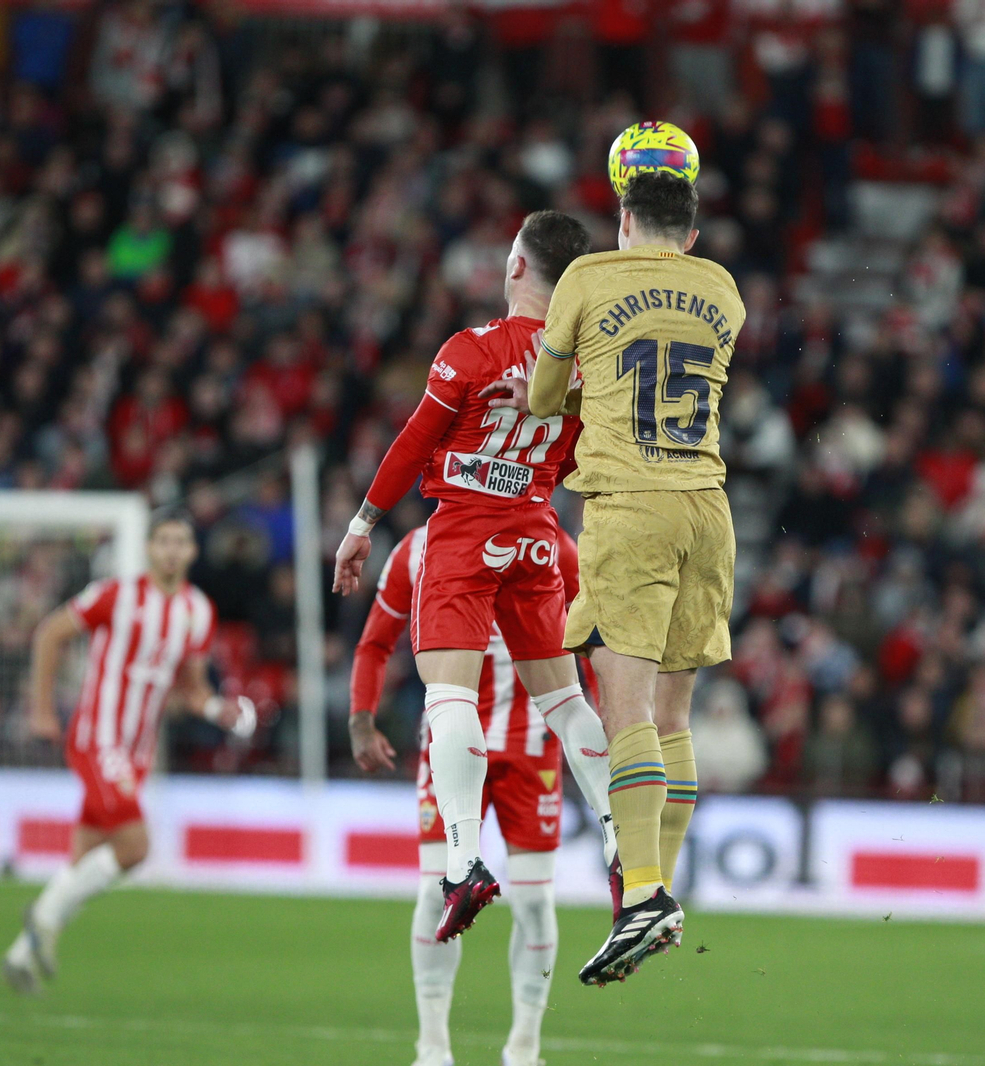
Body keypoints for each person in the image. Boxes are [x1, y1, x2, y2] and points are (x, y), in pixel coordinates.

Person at [331, 210, 616, 945]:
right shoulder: (588, 369)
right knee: (564, 698)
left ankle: (462, 863)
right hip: (537, 529)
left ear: (517, 268)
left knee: (448, 692)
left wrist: (362, 526)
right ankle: (622, 843)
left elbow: (413, 441)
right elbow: (600, 450)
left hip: (465, 527)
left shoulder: (472, 351)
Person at [488, 170, 745, 985]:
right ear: (693, 234)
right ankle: (660, 884)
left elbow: (542, 394)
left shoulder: (591, 276)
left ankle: (640, 897)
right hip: (708, 507)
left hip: (631, 509)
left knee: (623, 707)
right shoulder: (724, 290)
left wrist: (569, 384)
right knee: (675, 714)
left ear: (623, 219)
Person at [351, 525, 586, 1066]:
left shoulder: (556, 548)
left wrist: (601, 733)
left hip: (532, 750)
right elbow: (374, 642)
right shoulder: (415, 550)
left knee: (532, 900)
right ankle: (432, 1048)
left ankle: (524, 1047)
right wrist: (361, 720)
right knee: (436, 892)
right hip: (451, 747)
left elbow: (590, 645)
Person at [1, 513, 255, 994]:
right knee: (135, 847)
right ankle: (44, 915)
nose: (172, 550)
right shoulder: (114, 595)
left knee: (87, 856)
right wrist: (40, 708)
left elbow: (191, 689)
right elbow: (50, 633)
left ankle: (20, 955)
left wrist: (219, 709)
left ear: (193, 552)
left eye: (181, 541)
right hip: (98, 736)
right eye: (163, 541)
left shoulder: (199, 611)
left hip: (136, 751)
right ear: (148, 548)